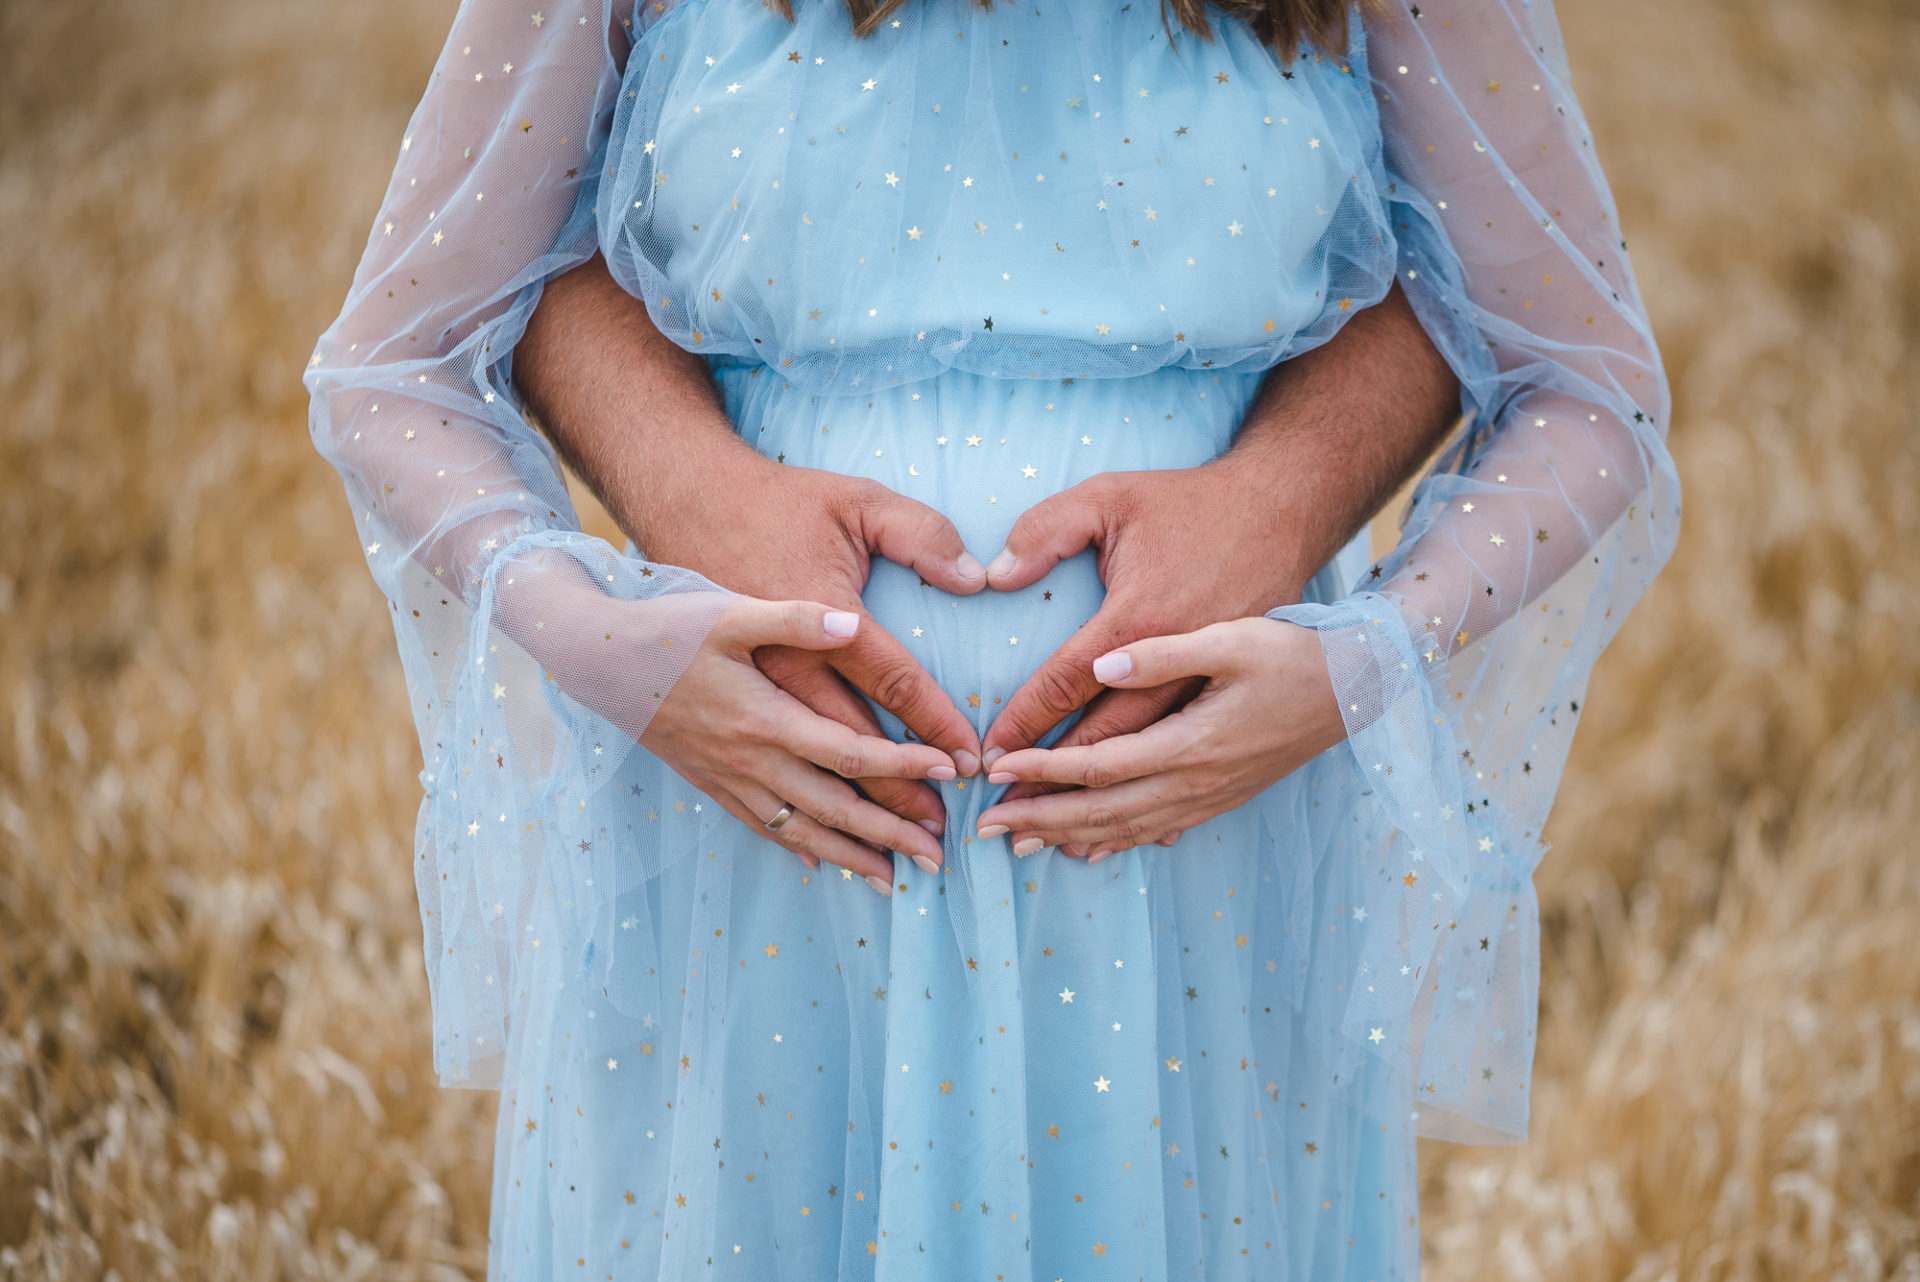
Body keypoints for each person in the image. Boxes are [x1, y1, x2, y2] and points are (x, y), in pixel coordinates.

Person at [304, 0, 1679, 1276]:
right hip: (754, 846)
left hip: (1199, 872)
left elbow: (1575, 364)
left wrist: (1360, 655)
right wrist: (608, 636)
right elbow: (407, 342)